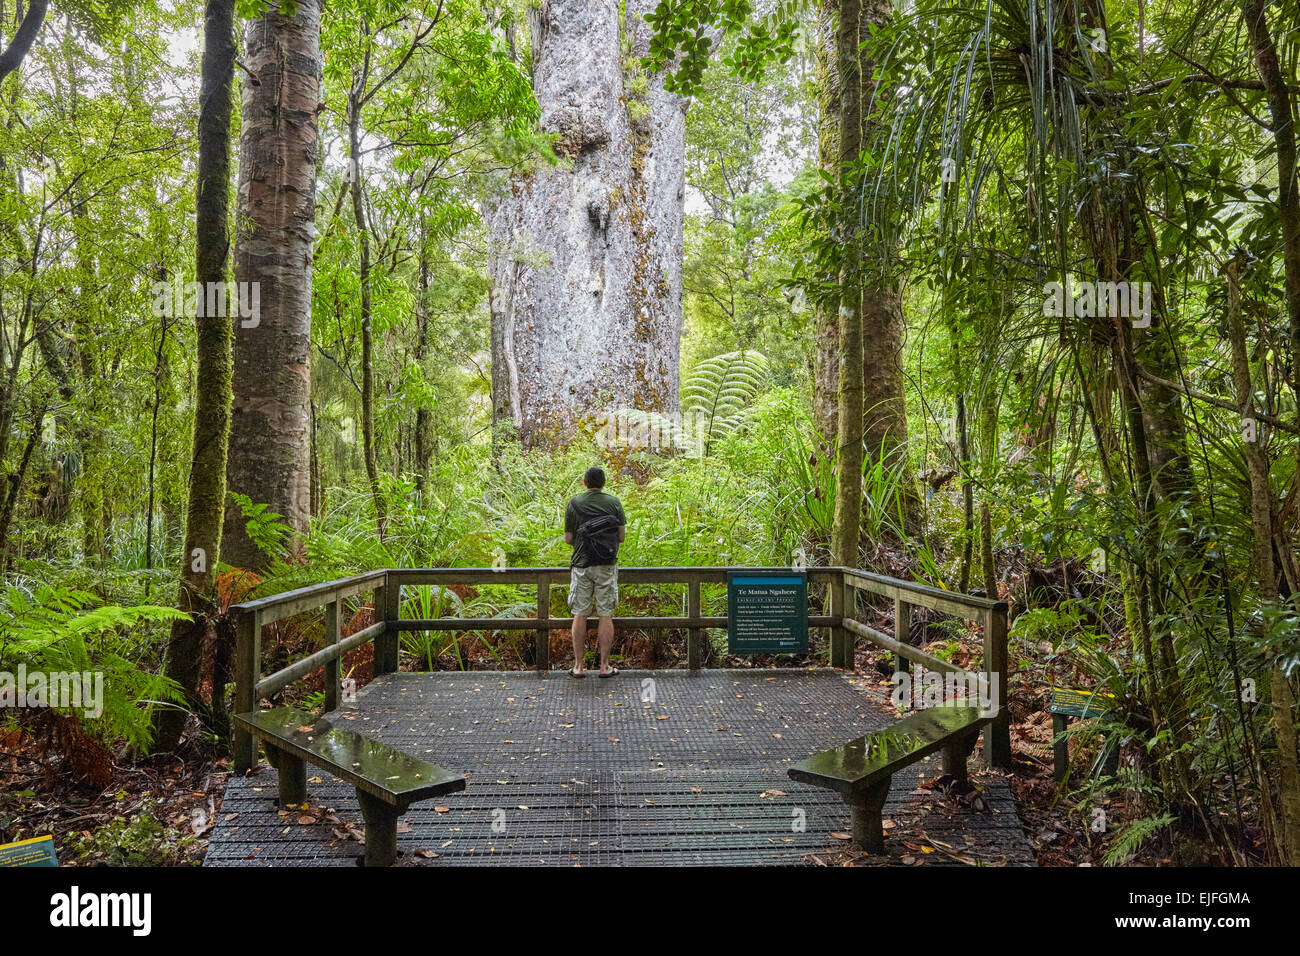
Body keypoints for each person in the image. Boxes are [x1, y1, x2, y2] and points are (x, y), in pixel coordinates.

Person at [564, 466, 626, 677]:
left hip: (581, 565)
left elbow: (568, 539)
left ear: (584, 483)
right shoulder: (614, 503)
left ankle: (579, 667)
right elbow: (621, 536)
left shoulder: (574, 504)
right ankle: (604, 666)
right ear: (604, 483)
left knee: (579, 614)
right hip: (607, 566)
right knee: (605, 614)